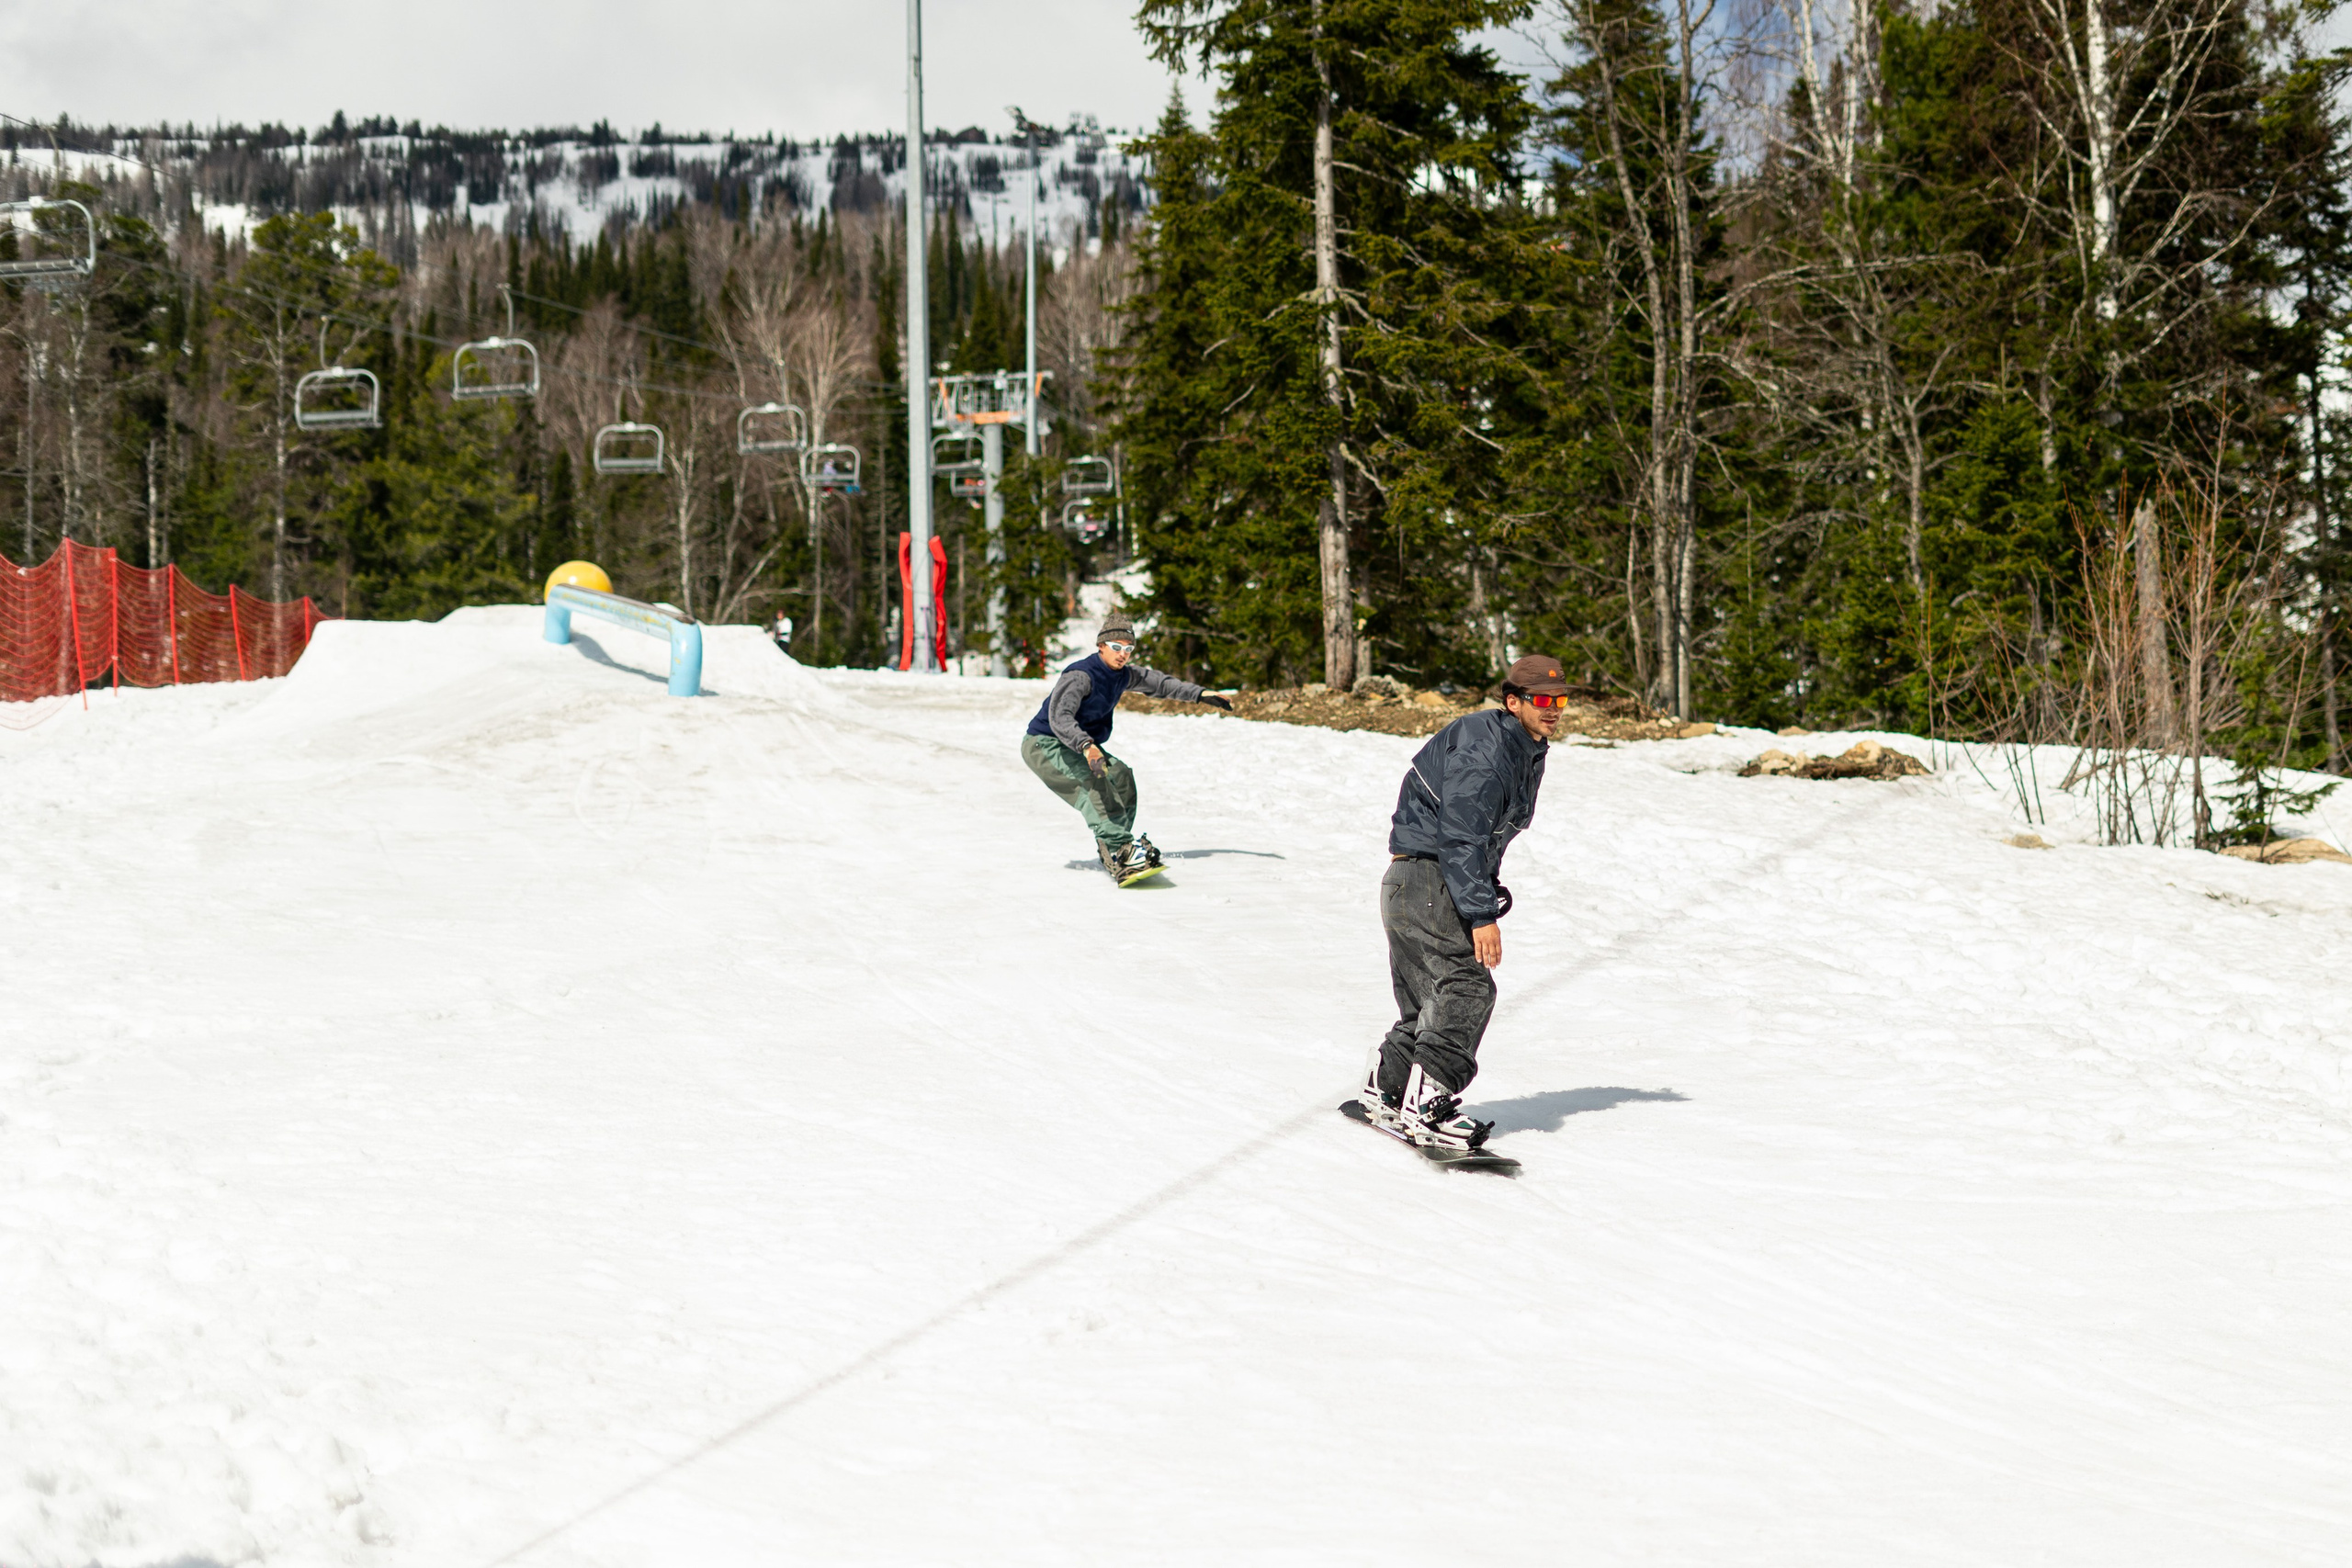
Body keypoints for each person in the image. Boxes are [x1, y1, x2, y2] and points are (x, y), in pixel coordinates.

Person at [1363, 654, 1569, 1149]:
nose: (1553, 709)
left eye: (1560, 699)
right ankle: (1428, 1105)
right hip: (1428, 879)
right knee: (1467, 989)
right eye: (1542, 699)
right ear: (1513, 701)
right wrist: (1480, 915)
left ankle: (1388, 1090)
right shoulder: (1488, 748)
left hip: (1413, 882)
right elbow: (1461, 837)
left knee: (1427, 1001)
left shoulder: (1517, 746)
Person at [1022, 613, 1233, 880]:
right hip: (1044, 744)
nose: (1123, 654)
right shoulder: (1080, 676)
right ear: (1101, 646)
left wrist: (1200, 694)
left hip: (1078, 746)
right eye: (1116, 647)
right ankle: (1118, 848)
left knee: (1121, 778)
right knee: (1094, 782)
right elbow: (1060, 716)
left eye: (1129, 649)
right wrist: (1087, 746)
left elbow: (1160, 684)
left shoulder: (1122, 675)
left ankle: (1118, 846)